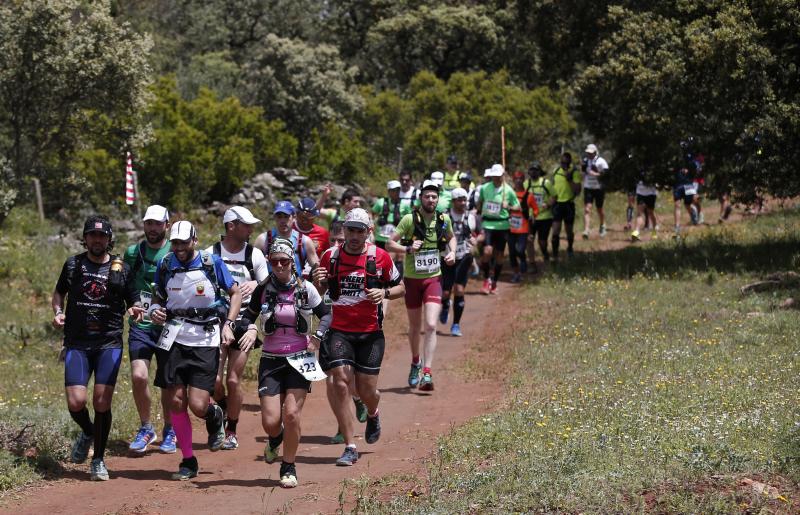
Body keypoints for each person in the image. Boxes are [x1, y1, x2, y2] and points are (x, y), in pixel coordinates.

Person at [52, 216, 143, 481]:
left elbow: (134, 300)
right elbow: (59, 293)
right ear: (85, 238)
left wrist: (136, 310)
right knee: (76, 401)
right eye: (92, 235)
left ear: (109, 239)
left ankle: (99, 460)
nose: (97, 240)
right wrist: (58, 311)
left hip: (108, 343)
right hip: (77, 343)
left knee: (102, 401)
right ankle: (89, 431)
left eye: (102, 236)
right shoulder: (73, 265)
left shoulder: (122, 269)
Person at [149, 221, 242, 480]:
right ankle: (188, 459)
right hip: (174, 338)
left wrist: (229, 325)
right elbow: (157, 295)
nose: (179, 248)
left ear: (195, 240)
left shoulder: (211, 263)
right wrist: (154, 309)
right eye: (175, 243)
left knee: (198, 405)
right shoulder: (165, 264)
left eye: (183, 242)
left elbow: (235, 293)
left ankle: (214, 414)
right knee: (176, 401)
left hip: (205, 339)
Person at [314, 208, 404, 466]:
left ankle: (374, 412)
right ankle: (350, 445)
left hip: (370, 333)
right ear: (343, 230)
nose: (353, 236)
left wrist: (384, 294)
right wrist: (317, 280)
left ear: (368, 232)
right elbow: (320, 292)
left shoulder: (380, 257)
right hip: (340, 330)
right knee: (340, 381)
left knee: (367, 390)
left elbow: (401, 287)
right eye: (350, 230)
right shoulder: (329, 257)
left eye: (359, 231)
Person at [241, 238, 332, 488]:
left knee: (291, 415)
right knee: (270, 422)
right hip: (271, 359)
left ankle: (288, 466)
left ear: (292, 262)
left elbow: (326, 315)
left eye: (284, 261)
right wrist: (249, 328)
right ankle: (275, 439)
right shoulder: (263, 288)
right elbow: (247, 316)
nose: (279, 266)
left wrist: (317, 338)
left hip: (300, 357)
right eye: (274, 261)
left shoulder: (306, 288)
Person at [207, 206, 269, 451]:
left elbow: (269, 287)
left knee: (233, 380)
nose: (251, 229)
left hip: (244, 322)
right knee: (214, 382)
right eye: (246, 225)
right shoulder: (209, 253)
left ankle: (231, 430)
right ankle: (221, 409)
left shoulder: (254, 255)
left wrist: (256, 283)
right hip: (214, 323)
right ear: (231, 226)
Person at [387, 181, 456, 391]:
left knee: (432, 325)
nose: (431, 200)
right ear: (421, 198)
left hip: (433, 278)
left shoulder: (443, 219)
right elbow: (389, 243)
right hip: (412, 280)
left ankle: (427, 372)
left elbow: (451, 238)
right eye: (427, 196)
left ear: (438, 199)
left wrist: (452, 252)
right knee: (415, 327)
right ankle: (416, 362)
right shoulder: (409, 219)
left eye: (434, 197)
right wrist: (407, 248)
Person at [124, 205, 176, 455]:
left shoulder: (175, 251)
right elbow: (123, 284)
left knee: (167, 383)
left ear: (167, 224)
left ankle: (169, 430)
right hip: (141, 325)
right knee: (139, 376)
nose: (153, 228)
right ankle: (146, 428)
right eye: (149, 223)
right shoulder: (133, 252)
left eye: (158, 223)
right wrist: (129, 305)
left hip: (168, 327)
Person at [439, 188, 477, 336]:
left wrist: (475, 239)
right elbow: (438, 234)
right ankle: (445, 306)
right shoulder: (444, 216)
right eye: (459, 200)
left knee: (459, 289)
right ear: (453, 201)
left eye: (464, 200)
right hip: (447, 257)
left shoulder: (470, 217)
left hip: (464, 257)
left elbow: (477, 234)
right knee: (446, 292)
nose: (462, 203)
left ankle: (456, 325)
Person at [476, 164, 519, 293]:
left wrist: (509, 207)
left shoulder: (508, 190)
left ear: (502, 176)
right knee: (487, 252)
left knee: (499, 255)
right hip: (488, 224)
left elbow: (518, 206)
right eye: (493, 176)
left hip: (502, 225)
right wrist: (478, 212)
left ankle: (494, 281)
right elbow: (480, 202)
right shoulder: (484, 188)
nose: (496, 178)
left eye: (498, 176)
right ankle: (486, 279)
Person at [254, 201, 319, 276]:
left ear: (294, 217)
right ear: (275, 218)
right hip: (269, 285)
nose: (282, 221)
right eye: (279, 217)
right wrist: (261, 262)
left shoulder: (305, 241)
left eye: (286, 216)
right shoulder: (263, 240)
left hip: (296, 286)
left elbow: (316, 269)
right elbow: (251, 265)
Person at [550, 152, 582, 260]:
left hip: (568, 204)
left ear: (570, 163)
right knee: (555, 231)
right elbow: (551, 187)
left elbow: (577, 191)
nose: (564, 165)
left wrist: (569, 180)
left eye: (566, 163)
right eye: (562, 163)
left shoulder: (574, 173)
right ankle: (555, 254)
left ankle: (570, 248)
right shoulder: (556, 171)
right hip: (557, 204)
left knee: (569, 230)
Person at [508, 170, 538, 281]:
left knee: (520, 250)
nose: (518, 181)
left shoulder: (529, 196)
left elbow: (535, 209)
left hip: (523, 228)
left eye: (520, 179)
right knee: (512, 252)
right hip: (510, 228)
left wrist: (534, 216)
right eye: (516, 179)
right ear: (513, 180)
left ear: (523, 180)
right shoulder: (509, 194)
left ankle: (523, 259)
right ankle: (516, 273)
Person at [371, 180, 412, 251]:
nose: (396, 192)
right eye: (393, 190)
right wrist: (372, 225)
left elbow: (410, 218)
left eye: (398, 190)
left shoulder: (405, 205)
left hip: (396, 240)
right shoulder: (381, 202)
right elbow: (372, 213)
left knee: (393, 260)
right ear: (388, 191)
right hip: (380, 238)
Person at [527, 162, 555, 265]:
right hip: (530, 217)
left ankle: (545, 253)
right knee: (529, 240)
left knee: (542, 241)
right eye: (532, 170)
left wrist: (548, 205)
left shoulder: (546, 183)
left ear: (539, 172)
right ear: (529, 172)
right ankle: (531, 263)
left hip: (544, 217)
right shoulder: (526, 184)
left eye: (536, 170)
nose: (533, 172)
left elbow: (554, 196)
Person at [581, 144, 609, 239]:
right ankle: (586, 230)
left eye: (591, 153)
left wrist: (595, 174)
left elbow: (606, 175)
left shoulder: (601, 162)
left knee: (599, 209)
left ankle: (602, 225)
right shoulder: (585, 161)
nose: (589, 154)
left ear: (595, 152)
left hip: (599, 188)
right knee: (587, 209)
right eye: (588, 153)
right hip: (588, 187)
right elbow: (583, 173)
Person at [294, 197, 331, 263]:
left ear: (315, 217)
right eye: (302, 217)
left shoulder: (323, 233)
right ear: (296, 214)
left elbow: (329, 255)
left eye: (309, 217)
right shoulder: (289, 229)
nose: (305, 221)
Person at [630, 171, 659, 241]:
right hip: (640, 193)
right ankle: (636, 232)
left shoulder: (652, 167)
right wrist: (633, 194)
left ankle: (654, 231)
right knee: (639, 213)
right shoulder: (638, 166)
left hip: (651, 193)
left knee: (650, 212)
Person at [672, 166, 697, 238]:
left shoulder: (688, 158)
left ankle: (693, 214)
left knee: (687, 205)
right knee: (677, 205)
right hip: (677, 186)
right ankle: (677, 226)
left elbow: (694, 169)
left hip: (688, 184)